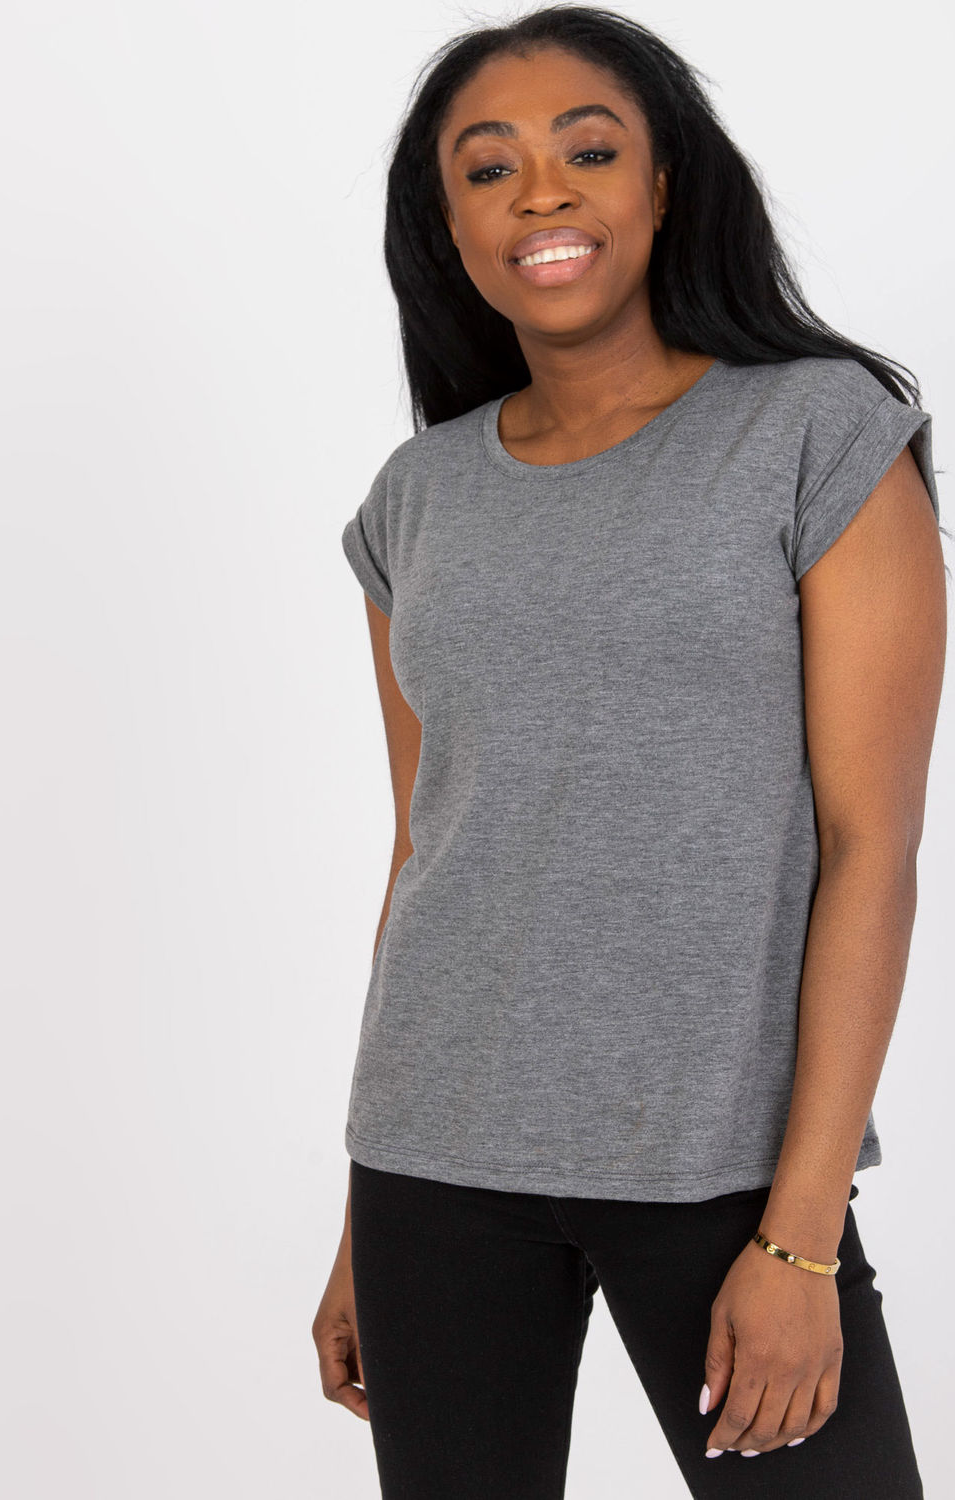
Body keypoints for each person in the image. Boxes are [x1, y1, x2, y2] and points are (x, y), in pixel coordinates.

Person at [312, 8, 948, 1496]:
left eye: (588, 151)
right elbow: (426, 853)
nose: (541, 191)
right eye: (489, 169)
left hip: (721, 1170)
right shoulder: (417, 499)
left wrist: (802, 1235)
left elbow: (870, 846)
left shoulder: (818, 435)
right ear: (450, 229)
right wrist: (359, 1218)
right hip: (433, 1165)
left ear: (664, 186)